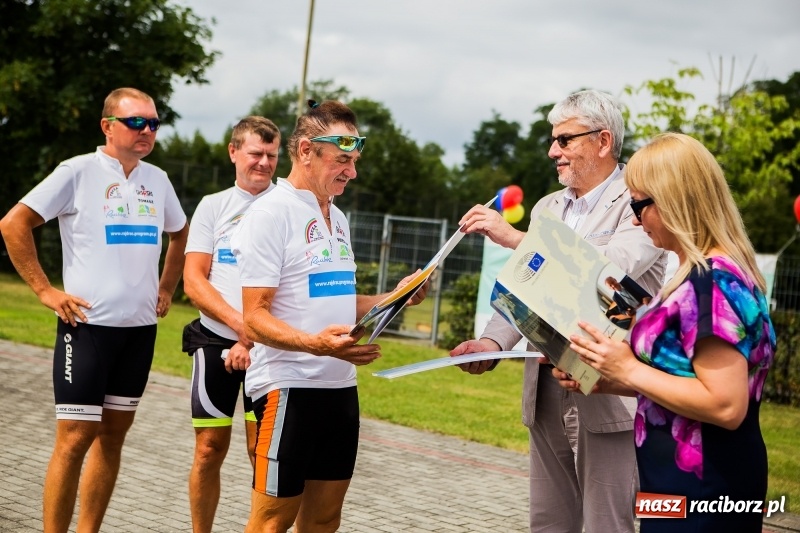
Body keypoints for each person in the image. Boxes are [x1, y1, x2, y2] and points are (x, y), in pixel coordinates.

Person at [451, 89, 667, 533]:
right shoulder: (548, 206)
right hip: (546, 385)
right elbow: (523, 288)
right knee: (549, 523)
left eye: (565, 140)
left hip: (607, 389)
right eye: (554, 140)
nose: (554, 151)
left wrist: (517, 238)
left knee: (605, 525)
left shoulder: (642, 202)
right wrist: (491, 343)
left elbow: (610, 274)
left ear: (603, 141)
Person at [230, 99, 428, 533]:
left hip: (339, 389)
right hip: (288, 387)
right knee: (271, 523)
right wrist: (315, 345)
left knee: (323, 521)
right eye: (342, 160)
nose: (351, 172)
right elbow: (254, 317)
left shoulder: (337, 217)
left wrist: (395, 296)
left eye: (354, 161)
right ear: (305, 151)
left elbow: (341, 300)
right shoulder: (269, 213)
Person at [563, 133, 775, 532]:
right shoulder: (696, 276)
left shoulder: (712, 284)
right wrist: (606, 379)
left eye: (639, 204)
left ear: (676, 201)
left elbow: (727, 407)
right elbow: (683, 378)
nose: (633, 218)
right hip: (671, 487)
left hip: (705, 491)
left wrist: (628, 371)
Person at [0, 87, 188, 533]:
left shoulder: (157, 179)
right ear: (108, 126)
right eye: (136, 122)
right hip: (86, 329)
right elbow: (13, 223)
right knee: (74, 439)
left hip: (140, 332)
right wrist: (46, 291)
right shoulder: (78, 171)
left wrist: (166, 286)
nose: (147, 131)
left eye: (154, 124)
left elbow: (181, 233)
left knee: (113, 436)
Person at [182, 116, 281, 533]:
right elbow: (193, 279)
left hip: (270, 347)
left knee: (261, 452)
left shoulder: (286, 207)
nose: (263, 163)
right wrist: (242, 326)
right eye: (256, 153)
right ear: (234, 152)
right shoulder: (213, 205)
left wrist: (255, 336)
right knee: (208, 449)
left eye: (272, 155)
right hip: (215, 339)